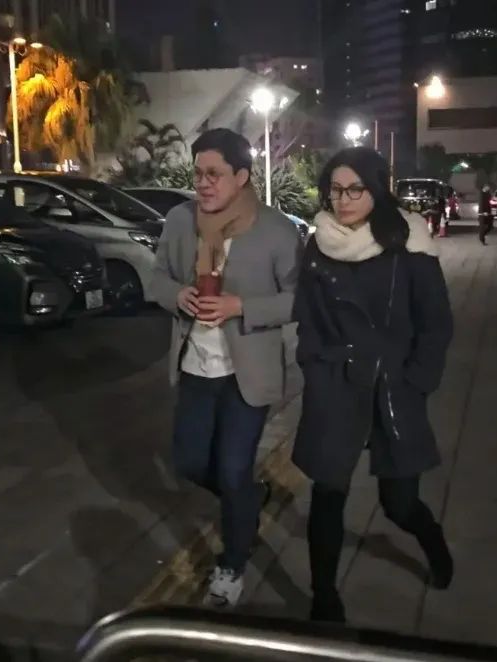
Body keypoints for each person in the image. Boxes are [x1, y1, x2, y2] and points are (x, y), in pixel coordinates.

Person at [292, 147, 454, 623]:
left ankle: (433, 541)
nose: (342, 200)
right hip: (336, 381)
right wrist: (316, 366)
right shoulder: (320, 243)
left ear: (377, 190)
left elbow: (436, 323)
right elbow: (308, 317)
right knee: (328, 494)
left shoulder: (409, 241)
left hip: (393, 385)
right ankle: (324, 599)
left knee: (398, 504)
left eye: (354, 189)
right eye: (335, 190)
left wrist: (416, 381)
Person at [151, 128, 302, 607]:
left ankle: (232, 564)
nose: (203, 183)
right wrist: (178, 295)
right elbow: (156, 277)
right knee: (191, 463)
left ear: (241, 176)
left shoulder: (276, 229)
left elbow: (301, 299)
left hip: (247, 373)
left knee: (233, 470)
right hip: (195, 367)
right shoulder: (181, 220)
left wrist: (242, 307)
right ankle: (247, 501)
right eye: (198, 173)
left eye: (214, 174)